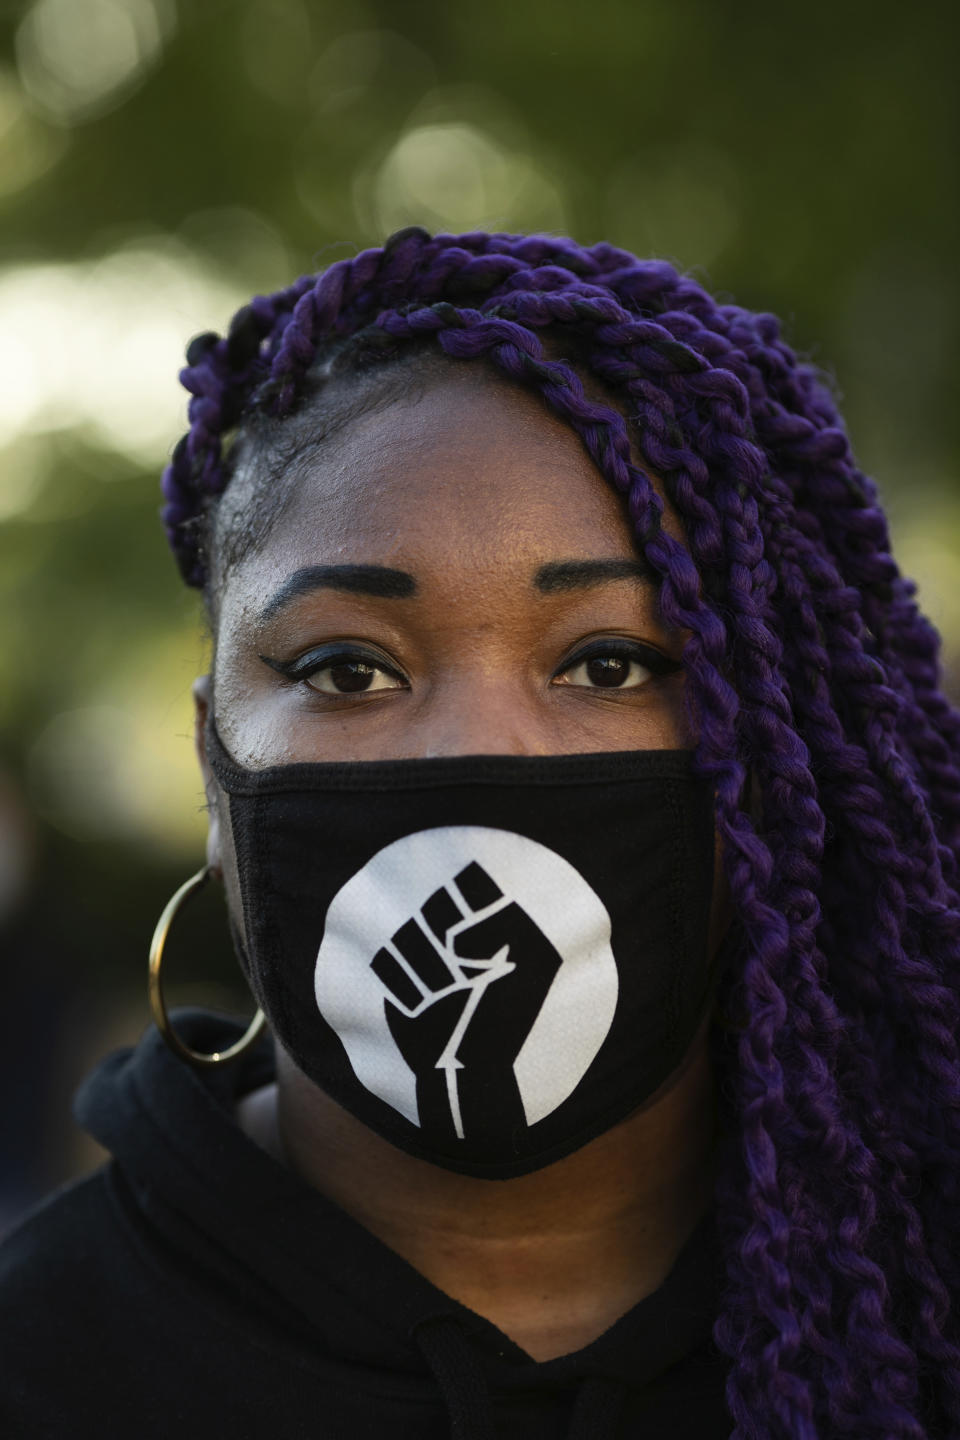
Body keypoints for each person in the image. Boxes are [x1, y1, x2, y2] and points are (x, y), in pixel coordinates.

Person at [2, 227, 958, 1440]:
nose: (487, 755)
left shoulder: (913, 1320)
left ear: (782, 755)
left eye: (610, 663)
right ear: (212, 758)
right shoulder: (41, 1363)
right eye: (349, 670)